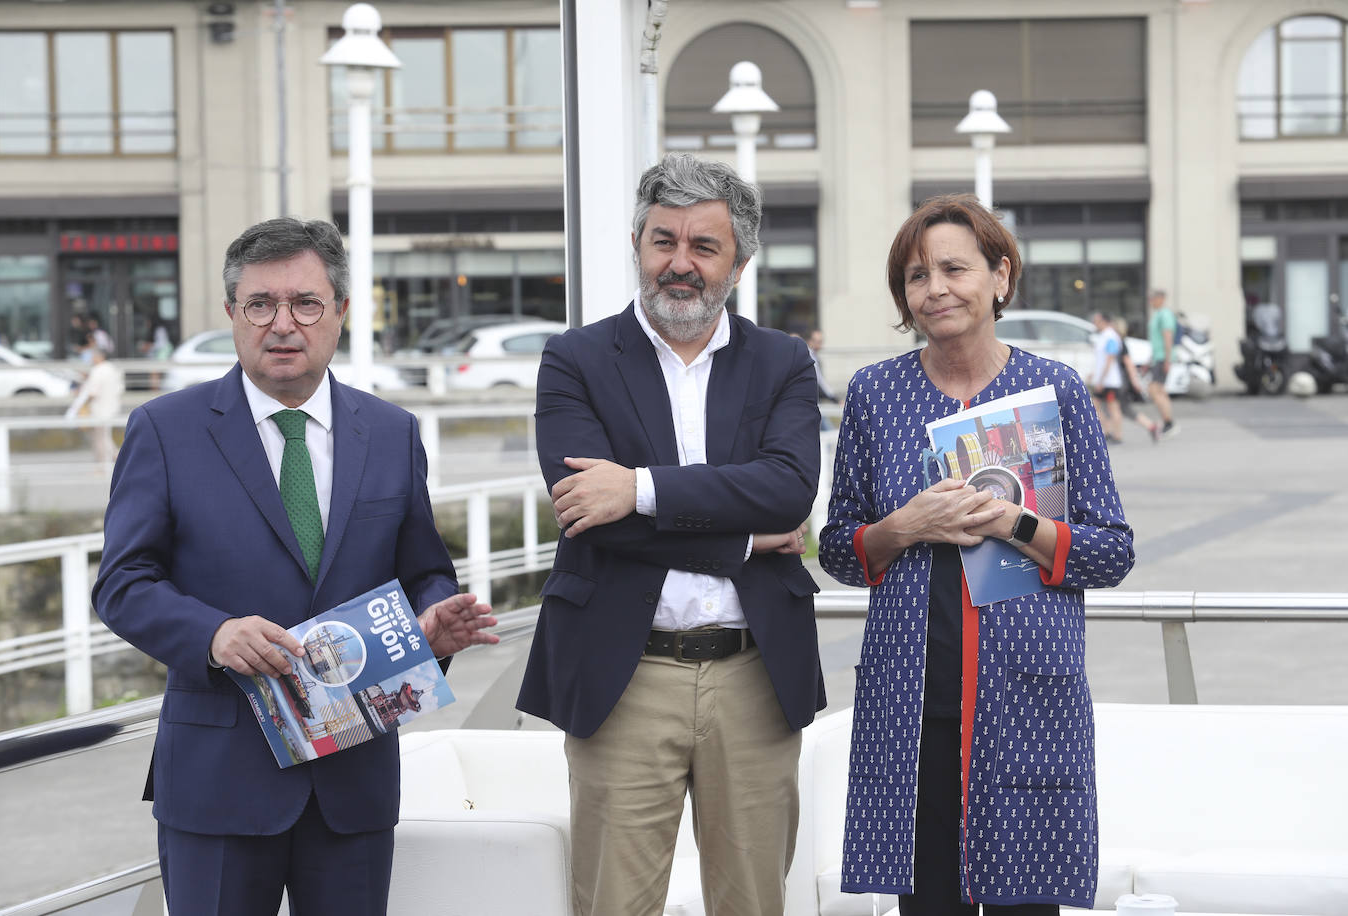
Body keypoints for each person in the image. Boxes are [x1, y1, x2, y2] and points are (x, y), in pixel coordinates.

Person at [92, 217, 499, 916]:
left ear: (340, 311)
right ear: (231, 315)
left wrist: (431, 620)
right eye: (261, 305)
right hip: (218, 781)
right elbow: (122, 583)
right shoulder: (165, 430)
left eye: (306, 303)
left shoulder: (392, 433)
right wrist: (214, 635)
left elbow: (424, 572)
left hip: (354, 779)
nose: (283, 324)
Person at [517, 152, 825, 916]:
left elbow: (787, 490)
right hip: (624, 676)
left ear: (740, 262)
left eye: (703, 246)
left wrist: (640, 488)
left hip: (754, 675)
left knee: (753, 904)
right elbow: (589, 516)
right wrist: (741, 540)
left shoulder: (783, 362)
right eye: (664, 241)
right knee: (613, 904)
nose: (679, 264)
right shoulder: (575, 359)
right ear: (636, 243)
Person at [818, 193, 1134, 914]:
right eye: (916, 276)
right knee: (927, 900)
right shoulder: (875, 393)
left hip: (1024, 693)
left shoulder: (1054, 389)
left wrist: (1014, 524)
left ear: (1000, 275)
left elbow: (1111, 552)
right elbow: (838, 549)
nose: (935, 290)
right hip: (913, 694)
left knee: (1028, 896)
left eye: (954, 269)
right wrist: (905, 525)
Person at [65, 346, 125, 465]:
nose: (91, 359)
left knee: (101, 438)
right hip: (112, 407)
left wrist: (79, 400)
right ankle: (115, 458)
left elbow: (92, 392)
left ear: (99, 357)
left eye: (92, 356)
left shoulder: (98, 371)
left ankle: (107, 463)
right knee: (105, 437)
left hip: (100, 409)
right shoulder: (112, 369)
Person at [1114, 316, 1161, 444]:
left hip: (1120, 382)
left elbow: (1129, 363)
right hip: (1120, 381)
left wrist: (1135, 382)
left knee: (1118, 408)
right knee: (1124, 409)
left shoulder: (1120, 343)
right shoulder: (1118, 341)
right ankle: (1151, 426)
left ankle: (1115, 435)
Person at [1146, 289, 1179, 436]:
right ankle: (1168, 420)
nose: (1150, 302)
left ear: (1160, 299)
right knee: (1160, 391)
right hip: (1157, 357)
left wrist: (1167, 359)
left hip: (1162, 358)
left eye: (1152, 299)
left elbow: (1167, 337)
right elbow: (1156, 340)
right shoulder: (1158, 315)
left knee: (1154, 390)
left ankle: (1168, 422)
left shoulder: (1165, 315)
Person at [1089, 311, 1125, 443]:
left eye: (1097, 321)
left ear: (1104, 321)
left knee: (1113, 407)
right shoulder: (1104, 336)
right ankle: (1108, 430)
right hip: (1104, 379)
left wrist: (1101, 379)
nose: (1095, 324)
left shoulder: (1110, 336)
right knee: (1095, 405)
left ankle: (1117, 434)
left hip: (1109, 381)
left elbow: (1110, 359)